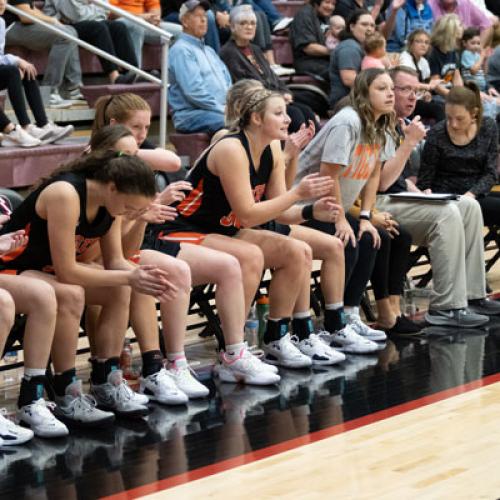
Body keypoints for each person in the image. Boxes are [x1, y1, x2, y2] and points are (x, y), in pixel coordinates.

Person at [151, 86, 355, 367]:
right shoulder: (231, 148)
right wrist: (298, 194)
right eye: (279, 113)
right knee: (250, 256)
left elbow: (279, 213)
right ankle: (234, 351)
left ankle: (277, 338)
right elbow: (247, 215)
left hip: (220, 229)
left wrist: (310, 210)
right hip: (181, 228)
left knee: (297, 251)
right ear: (257, 118)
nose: (287, 119)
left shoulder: (272, 147)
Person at [92, 94, 281, 385]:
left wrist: (129, 157)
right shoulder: (97, 166)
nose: (143, 135)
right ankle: (141, 367)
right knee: (155, 275)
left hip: (137, 240)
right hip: (101, 251)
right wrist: (146, 201)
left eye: (146, 127)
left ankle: (231, 352)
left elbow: (168, 162)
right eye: (135, 128)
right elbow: (112, 238)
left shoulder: (131, 160)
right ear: (114, 124)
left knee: (232, 264)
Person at [0, 151, 179, 417]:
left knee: (120, 287)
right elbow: (67, 271)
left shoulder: (112, 203)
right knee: (71, 293)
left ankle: (107, 379)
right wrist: (130, 275)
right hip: (14, 265)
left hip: (41, 271)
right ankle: (63, 389)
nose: (129, 214)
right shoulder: (66, 193)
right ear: (112, 187)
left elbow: (116, 260)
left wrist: (145, 276)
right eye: (130, 208)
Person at [376, 66, 500, 327]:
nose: (412, 96)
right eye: (403, 89)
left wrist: (419, 192)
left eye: (416, 90)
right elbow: (382, 183)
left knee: (469, 205)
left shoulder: (400, 125)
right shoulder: (380, 125)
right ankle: (445, 307)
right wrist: (410, 147)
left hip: (404, 197)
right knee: (449, 212)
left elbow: (402, 179)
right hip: (375, 205)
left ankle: (473, 295)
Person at [296, 69, 398, 345]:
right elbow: (329, 174)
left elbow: (374, 173)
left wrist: (365, 216)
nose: (390, 93)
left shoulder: (383, 123)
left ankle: (351, 314)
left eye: (392, 88)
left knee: (372, 237)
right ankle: (334, 322)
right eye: (382, 88)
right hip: (303, 204)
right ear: (365, 94)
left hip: (333, 204)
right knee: (348, 239)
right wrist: (341, 218)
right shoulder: (347, 122)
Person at [219, 5, 317, 133]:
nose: (249, 27)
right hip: (255, 103)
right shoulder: (228, 53)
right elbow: (246, 86)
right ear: (232, 27)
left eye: (252, 24)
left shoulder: (255, 49)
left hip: (274, 98)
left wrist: (285, 92)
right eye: (243, 23)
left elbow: (273, 77)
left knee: (307, 111)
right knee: (296, 115)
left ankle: (316, 150)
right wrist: (277, 96)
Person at [418, 83, 500, 228]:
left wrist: (471, 195)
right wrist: (426, 193)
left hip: (476, 193)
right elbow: (425, 180)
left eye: (460, 118)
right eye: (449, 118)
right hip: (446, 198)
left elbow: (491, 172)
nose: (453, 124)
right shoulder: (437, 134)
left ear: (474, 113)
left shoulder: (488, 127)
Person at [0, 0, 74, 147]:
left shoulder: (0, 22)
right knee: (13, 70)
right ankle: (26, 126)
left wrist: (17, 61)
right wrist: (15, 60)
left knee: (27, 70)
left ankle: (43, 123)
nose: (2, 2)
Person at [4, 0, 83, 107]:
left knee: (70, 31)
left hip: (19, 24)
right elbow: (26, 17)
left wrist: (52, 21)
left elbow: (31, 8)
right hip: (8, 27)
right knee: (64, 35)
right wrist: (52, 20)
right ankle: (49, 91)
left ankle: (73, 88)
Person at [168, 0, 232, 134]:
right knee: (239, 123)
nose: (204, 20)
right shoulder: (181, 50)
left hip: (215, 111)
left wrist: (232, 106)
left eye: (205, 16)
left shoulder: (210, 50)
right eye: (198, 16)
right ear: (185, 22)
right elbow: (194, 92)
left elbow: (228, 82)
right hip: (192, 115)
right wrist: (222, 109)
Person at [43, 0, 139, 85]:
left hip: (89, 22)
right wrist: (93, 7)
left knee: (118, 27)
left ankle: (133, 73)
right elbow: (75, 16)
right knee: (98, 28)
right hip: (63, 26)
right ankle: (114, 77)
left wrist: (87, 7)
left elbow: (105, 11)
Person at [110, 0, 183, 69]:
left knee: (180, 31)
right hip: (120, 21)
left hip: (143, 21)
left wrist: (154, 17)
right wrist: (140, 17)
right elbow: (111, 11)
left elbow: (154, 6)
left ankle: (173, 77)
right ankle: (134, 73)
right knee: (136, 24)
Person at [329, 9, 375, 108]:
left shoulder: (359, 46)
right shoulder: (349, 47)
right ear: (352, 27)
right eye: (364, 24)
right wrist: (378, 87)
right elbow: (349, 79)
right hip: (345, 102)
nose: (369, 29)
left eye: (372, 25)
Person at [399, 28, 446, 122]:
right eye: (419, 41)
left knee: (445, 106)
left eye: (426, 42)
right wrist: (429, 87)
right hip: (406, 99)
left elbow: (424, 83)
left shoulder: (423, 62)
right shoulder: (405, 58)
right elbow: (409, 84)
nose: (423, 45)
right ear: (410, 44)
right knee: (438, 109)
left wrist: (426, 92)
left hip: (419, 98)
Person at [288, 0, 336, 85]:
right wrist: (336, 51)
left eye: (333, 4)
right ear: (316, 2)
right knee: (339, 72)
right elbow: (309, 48)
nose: (330, 7)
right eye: (327, 2)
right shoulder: (304, 15)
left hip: (325, 60)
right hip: (308, 62)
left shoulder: (325, 16)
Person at [428, 14, 464, 98]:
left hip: (450, 92)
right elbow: (436, 86)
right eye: (460, 25)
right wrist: (454, 97)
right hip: (436, 96)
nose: (463, 28)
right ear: (451, 30)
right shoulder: (432, 53)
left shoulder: (453, 51)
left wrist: (461, 95)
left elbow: (456, 76)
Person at [428, 0, 494, 46]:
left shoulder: (465, 3)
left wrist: (477, 49)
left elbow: (486, 25)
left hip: (463, 49)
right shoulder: (429, 4)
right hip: (440, 48)